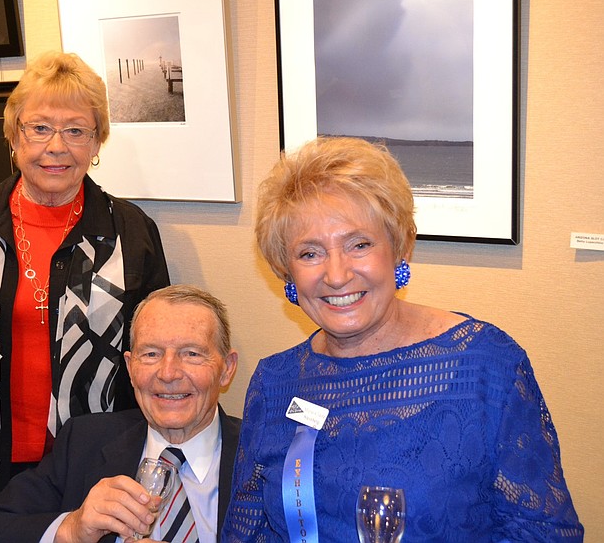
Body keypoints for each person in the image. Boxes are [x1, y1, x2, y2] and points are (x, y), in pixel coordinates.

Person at [222, 137, 583, 542]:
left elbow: (545, 533)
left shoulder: (485, 365)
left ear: (399, 247)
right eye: (310, 253)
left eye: (359, 245)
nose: (337, 275)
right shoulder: (274, 382)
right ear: (286, 271)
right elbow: (247, 530)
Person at [0, 51, 171, 506]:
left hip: (104, 457)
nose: (56, 146)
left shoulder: (131, 232)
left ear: (96, 145)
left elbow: (158, 341)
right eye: (40, 128)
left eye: (76, 130)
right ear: (14, 136)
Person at [0, 284, 241, 543]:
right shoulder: (84, 442)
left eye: (191, 354)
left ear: (226, 369)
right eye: (150, 354)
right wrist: (71, 529)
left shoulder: (267, 453)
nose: (167, 373)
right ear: (129, 367)